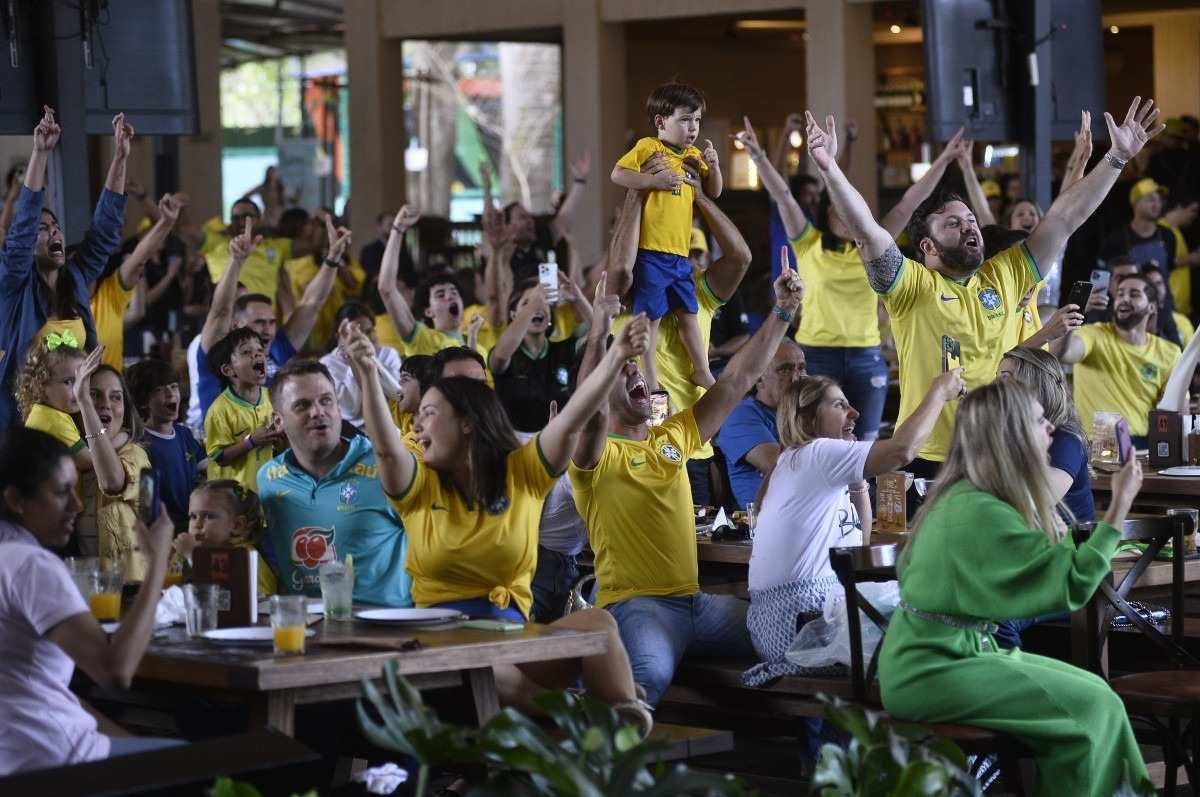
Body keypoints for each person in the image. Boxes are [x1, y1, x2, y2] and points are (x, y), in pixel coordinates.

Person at [806, 96, 1165, 481]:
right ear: (927, 247)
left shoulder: (1006, 272)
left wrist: (1116, 159)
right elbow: (867, 232)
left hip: (999, 452)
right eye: (953, 225)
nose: (970, 228)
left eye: (970, 220)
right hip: (931, 459)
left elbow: (1064, 218)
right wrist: (831, 171)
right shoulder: (912, 286)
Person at [351, 310, 650, 726]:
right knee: (488, 673)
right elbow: (385, 449)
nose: (418, 424)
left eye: (431, 413)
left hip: (515, 639)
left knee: (598, 622)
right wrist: (366, 372)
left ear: (468, 424)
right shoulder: (419, 486)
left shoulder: (522, 472)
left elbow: (573, 419)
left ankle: (621, 725)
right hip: (441, 651)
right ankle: (585, 718)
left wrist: (615, 355)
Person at [877, 381, 1152, 796]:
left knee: (1098, 692)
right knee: (1093, 706)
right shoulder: (980, 509)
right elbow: (1073, 584)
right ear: (1015, 434)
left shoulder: (967, 495)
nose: (1051, 431)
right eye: (1041, 421)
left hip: (938, 657)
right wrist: (1118, 508)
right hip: (933, 669)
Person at [570, 256, 805, 706]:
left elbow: (737, 380)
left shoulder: (673, 432)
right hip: (637, 606)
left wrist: (782, 312)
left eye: (635, 366)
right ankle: (600, 769)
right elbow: (589, 412)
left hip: (698, 605)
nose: (635, 371)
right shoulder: (594, 454)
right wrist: (602, 336)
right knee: (646, 682)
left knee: (804, 638)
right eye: (622, 372)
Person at [738, 116, 968, 441]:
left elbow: (910, 201)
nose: (845, 215)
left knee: (866, 441)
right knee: (818, 439)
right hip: (817, 352)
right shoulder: (809, 242)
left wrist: (944, 159)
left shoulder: (876, 245)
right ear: (826, 216)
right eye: (837, 211)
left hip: (865, 353)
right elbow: (784, 198)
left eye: (850, 210)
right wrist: (758, 157)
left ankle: (865, 494)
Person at [743, 369, 962, 688]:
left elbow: (858, 543)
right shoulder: (816, 454)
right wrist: (939, 393)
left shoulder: (801, 462)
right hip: (800, 626)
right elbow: (902, 451)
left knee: (933, 623)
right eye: (839, 405)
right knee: (940, 628)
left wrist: (856, 477)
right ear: (808, 418)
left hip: (797, 623)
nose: (855, 413)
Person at [0, 427, 179, 775]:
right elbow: (115, 671)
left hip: (12, 760)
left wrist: (126, 740)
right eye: (62, 493)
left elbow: (49, 693)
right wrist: (157, 562)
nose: (77, 505)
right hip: (54, 761)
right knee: (207, 768)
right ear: (16, 500)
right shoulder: (30, 565)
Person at [0, 107, 131, 429]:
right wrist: (40, 152)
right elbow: (21, 230)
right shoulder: (14, 283)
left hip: (77, 416)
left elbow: (104, 230)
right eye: (43, 229)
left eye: (56, 227)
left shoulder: (74, 278)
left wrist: (120, 158)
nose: (54, 232)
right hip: (23, 421)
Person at [258, 360, 411, 607]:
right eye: (302, 405)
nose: (317, 411)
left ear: (339, 408)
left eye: (326, 400)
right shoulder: (268, 479)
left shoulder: (383, 466)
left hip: (386, 627)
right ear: (278, 421)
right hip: (310, 627)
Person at [612, 82, 723, 390]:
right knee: (651, 318)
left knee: (689, 312)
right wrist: (651, 180)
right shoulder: (650, 148)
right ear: (661, 122)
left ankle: (701, 368)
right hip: (651, 251)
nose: (693, 127)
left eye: (697, 120)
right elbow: (618, 174)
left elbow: (714, 191)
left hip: (679, 253)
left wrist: (713, 167)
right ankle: (649, 372)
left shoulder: (692, 154)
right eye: (685, 119)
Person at [191, 215, 350, 417]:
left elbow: (312, 303)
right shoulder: (217, 353)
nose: (268, 329)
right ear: (236, 325)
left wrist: (333, 259)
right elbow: (219, 312)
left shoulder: (276, 349)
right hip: (225, 446)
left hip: (271, 446)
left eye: (272, 322)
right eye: (259, 323)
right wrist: (236, 263)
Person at [1052, 272, 1180, 444]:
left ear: (1152, 307)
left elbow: (1177, 407)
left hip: (1140, 445)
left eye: (1134, 294)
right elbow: (1062, 354)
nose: (1124, 298)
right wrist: (1078, 311)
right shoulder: (1093, 334)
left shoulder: (1169, 352)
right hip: (1091, 444)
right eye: (1120, 294)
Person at [17, 344, 125, 505]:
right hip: (51, 511)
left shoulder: (46, 413)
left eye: (83, 381)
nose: (78, 390)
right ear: (41, 387)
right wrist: (121, 438)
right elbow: (92, 460)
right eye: (68, 382)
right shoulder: (53, 421)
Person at [90, 193, 182, 369]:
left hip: (134, 335)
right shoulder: (60, 318)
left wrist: (166, 222)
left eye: (122, 216)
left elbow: (140, 258)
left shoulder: (124, 262)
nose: (120, 221)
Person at [489, 278, 590, 434]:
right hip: (515, 444)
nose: (536, 306)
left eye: (543, 302)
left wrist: (579, 298)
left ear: (550, 315)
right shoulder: (506, 351)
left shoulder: (565, 349)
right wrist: (534, 303)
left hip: (561, 441)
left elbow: (601, 334)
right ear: (514, 315)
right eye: (526, 303)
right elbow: (501, 356)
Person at [79, 363, 151, 577]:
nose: (106, 404)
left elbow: (112, 482)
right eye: (94, 394)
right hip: (82, 589)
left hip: (128, 590)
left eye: (116, 397)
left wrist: (85, 401)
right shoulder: (72, 458)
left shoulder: (136, 455)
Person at [715, 341, 806, 508]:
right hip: (764, 523)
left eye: (801, 368)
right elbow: (784, 467)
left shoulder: (804, 413)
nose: (796, 378)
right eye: (785, 370)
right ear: (758, 378)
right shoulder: (740, 416)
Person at [125, 359, 207, 532]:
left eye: (174, 386)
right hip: (163, 529)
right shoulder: (140, 445)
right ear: (142, 401)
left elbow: (204, 466)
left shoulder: (184, 434)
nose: (171, 394)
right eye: (160, 390)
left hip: (193, 524)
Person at [204, 328, 281, 495]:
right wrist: (251, 442)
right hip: (233, 499)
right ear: (228, 370)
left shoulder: (273, 398)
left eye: (260, 350)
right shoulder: (219, 411)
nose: (257, 355)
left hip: (265, 491)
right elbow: (219, 457)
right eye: (246, 352)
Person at [173, 480, 278, 597]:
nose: (197, 524)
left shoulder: (245, 556)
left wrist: (194, 555)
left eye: (209, 516)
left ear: (237, 525)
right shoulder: (210, 554)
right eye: (193, 516)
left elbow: (230, 596)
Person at [319, 305, 403, 431]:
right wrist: (353, 361)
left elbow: (398, 395)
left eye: (369, 331)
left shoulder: (388, 354)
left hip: (392, 426)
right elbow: (350, 410)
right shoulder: (327, 364)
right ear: (339, 337)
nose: (364, 339)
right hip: (353, 434)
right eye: (354, 334)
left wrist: (370, 359)